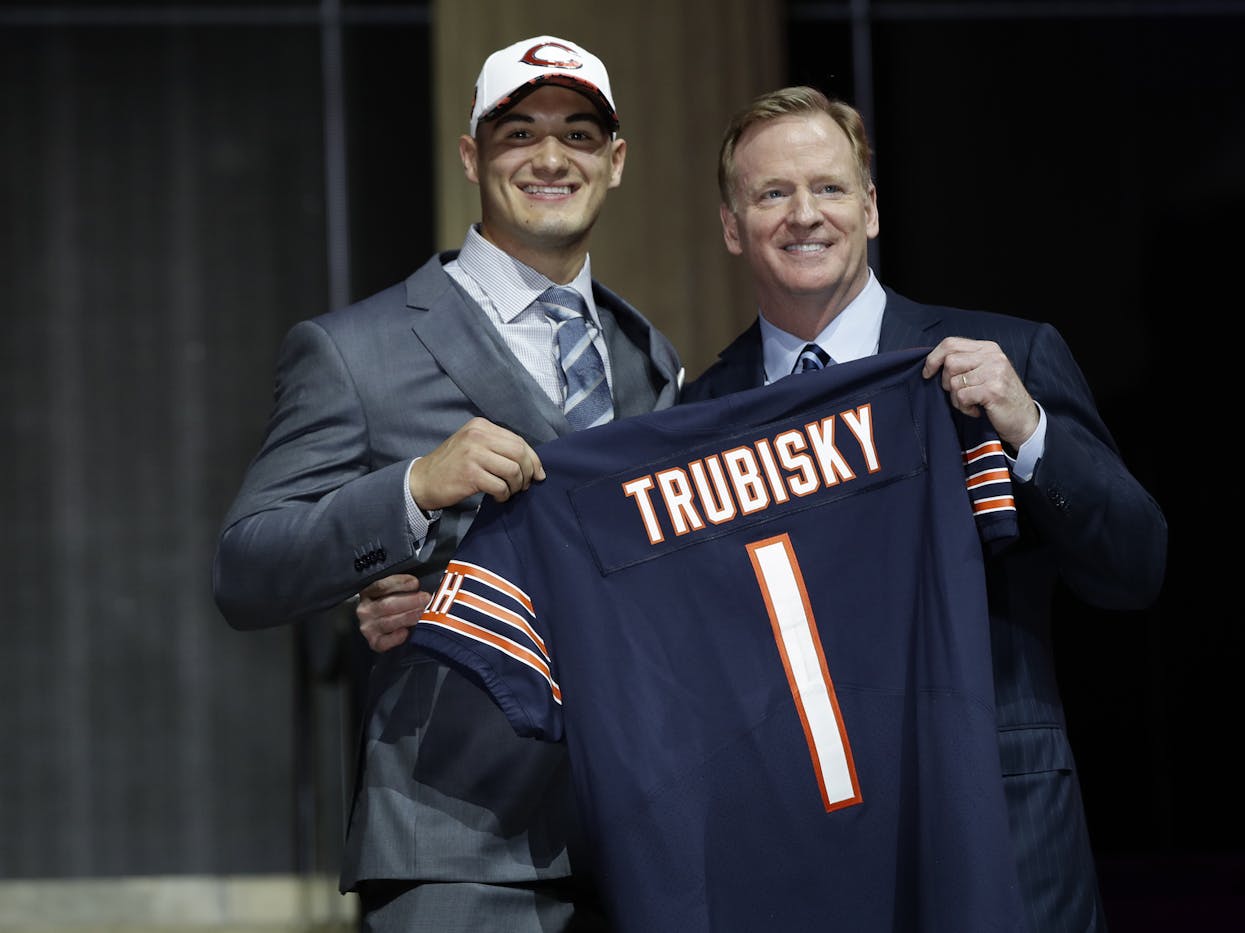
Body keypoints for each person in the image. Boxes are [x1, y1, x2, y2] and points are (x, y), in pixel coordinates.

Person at [212, 34, 681, 932]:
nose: (551, 156)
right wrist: (412, 491)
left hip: (635, 839)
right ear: (471, 155)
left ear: (615, 163)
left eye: (580, 135)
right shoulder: (356, 349)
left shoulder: (646, 356)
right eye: (518, 133)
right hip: (454, 849)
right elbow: (245, 568)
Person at [677, 86, 1168, 932]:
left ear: (870, 209)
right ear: (732, 227)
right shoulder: (697, 416)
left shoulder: (1008, 356)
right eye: (772, 194)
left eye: (829, 188)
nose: (805, 215)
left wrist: (1028, 427)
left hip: (1004, 835)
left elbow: (1136, 565)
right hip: (807, 855)